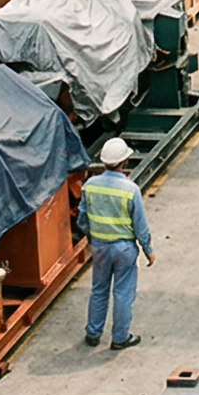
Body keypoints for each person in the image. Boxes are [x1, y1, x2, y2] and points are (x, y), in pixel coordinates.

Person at [81, 137, 154, 349]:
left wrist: (93, 238)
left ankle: (93, 334)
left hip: (100, 246)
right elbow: (140, 225)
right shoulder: (130, 189)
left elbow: (82, 219)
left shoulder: (89, 186)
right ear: (125, 162)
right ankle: (120, 338)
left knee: (99, 290)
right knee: (122, 293)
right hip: (123, 248)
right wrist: (148, 249)